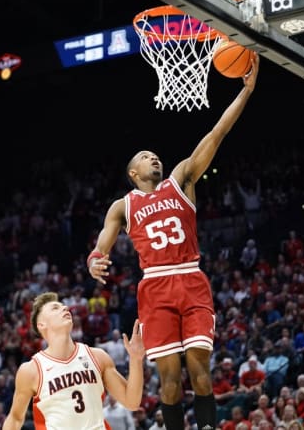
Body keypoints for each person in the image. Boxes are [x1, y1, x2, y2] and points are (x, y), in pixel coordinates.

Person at [87, 53, 260, 430]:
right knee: (168, 382)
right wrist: (96, 257)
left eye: (156, 155)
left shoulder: (180, 180)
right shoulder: (124, 204)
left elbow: (216, 135)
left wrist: (244, 93)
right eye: (147, 156)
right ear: (134, 172)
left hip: (190, 278)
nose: (155, 157)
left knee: (200, 369)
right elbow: (104, 237)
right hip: (155, 286)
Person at [2, 292, 146, 430]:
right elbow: (15, 419)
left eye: (64, 306)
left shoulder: (97, 356)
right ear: (42, 325)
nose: (64, 308)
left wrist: (136, 359)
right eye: (55, 308)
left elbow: (131, 402)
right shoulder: (31, 370)